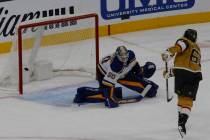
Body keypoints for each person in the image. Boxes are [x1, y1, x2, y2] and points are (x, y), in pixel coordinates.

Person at [74, 45, 159, 108]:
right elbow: (108, 83)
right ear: (118, 56)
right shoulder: (115, 66)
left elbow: (134, 64)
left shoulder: (131, 54)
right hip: (103, 73)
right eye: (122, 57)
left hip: (122, 73)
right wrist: (111, 98)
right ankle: (83, 92)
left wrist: (139, 75)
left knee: (152, 91)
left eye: (126, 56)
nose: (124, 59)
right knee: (109, 98)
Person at [161, 29, 202, 137]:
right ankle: (182, 122)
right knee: (187, 100)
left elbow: (180, 51)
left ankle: (180, 119)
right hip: (194, 75)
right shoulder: (196, 48)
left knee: (181, 97)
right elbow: (189, 65)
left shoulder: (185, 41)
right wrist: (170, 52)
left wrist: (169, 52)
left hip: (181, 73)